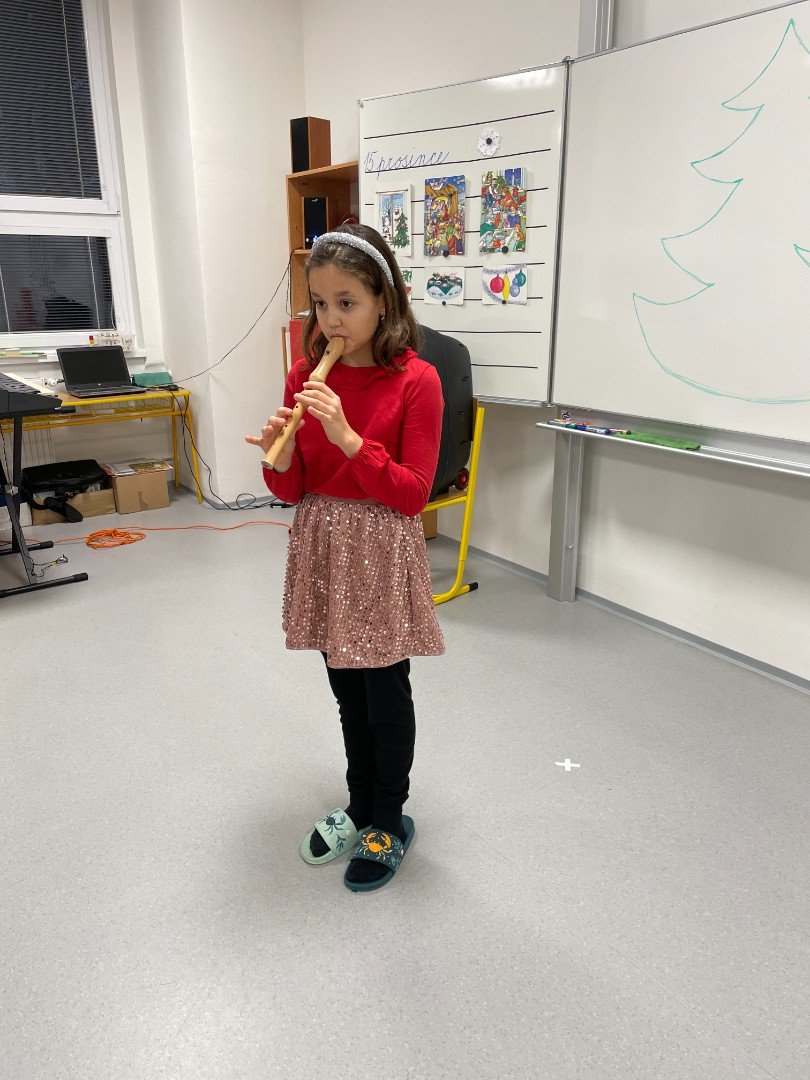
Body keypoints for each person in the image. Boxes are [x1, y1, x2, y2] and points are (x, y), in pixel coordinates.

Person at [245, 224, 445, 893]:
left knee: (384, 691)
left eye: (347, 303)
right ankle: (359, 803)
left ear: (384, 301)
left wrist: (348, 437)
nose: (331, 320)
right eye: (320, 304)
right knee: (346, 691)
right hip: (325, 544)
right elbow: (291, 490)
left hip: (380, 546)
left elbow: (413, 494)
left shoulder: (417, 380)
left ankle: (389, 816)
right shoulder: (303, 375)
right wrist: (279, 454)